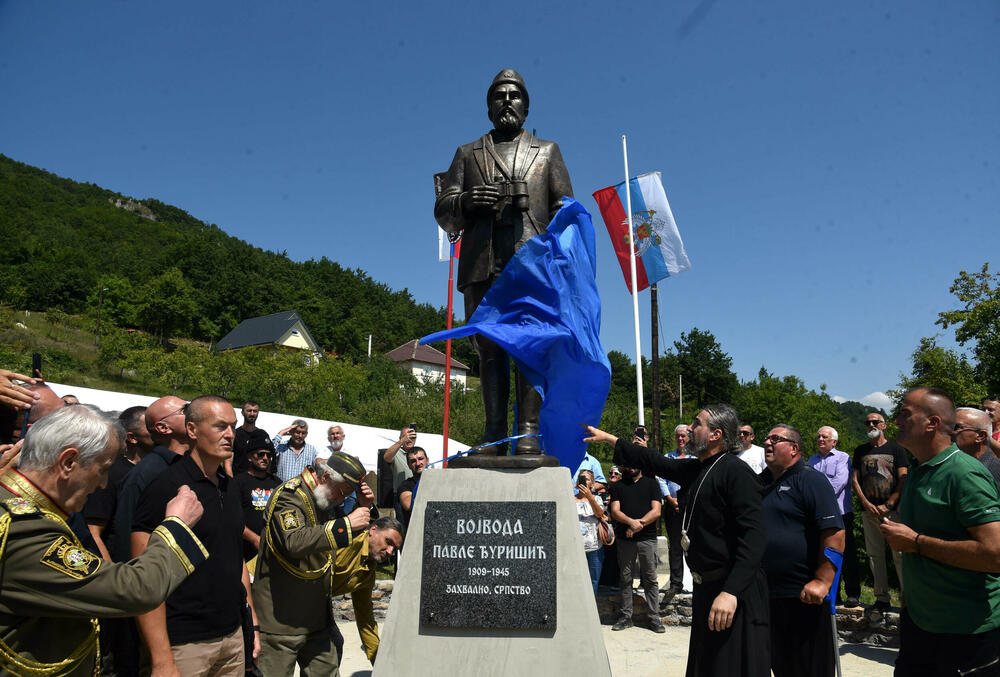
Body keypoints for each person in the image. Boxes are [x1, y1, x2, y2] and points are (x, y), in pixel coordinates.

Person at [0, 404, 208, 677]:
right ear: (68, 462)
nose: (103, 484)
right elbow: (136, 590)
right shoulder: (22, 530)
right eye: (103, 469)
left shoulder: (28, 508)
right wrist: (176, 526)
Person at [434, 68, 573, 455]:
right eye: (499, 95)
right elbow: (443, 209)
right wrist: (464, 201)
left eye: (514, 95)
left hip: (532, 265)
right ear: (489, 105)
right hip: (482, 264)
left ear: (526, 107)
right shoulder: (467, 153)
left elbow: (565, 207)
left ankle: (528, 431)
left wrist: (557, 252)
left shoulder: (547, 152)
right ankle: (494, 433)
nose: (507, 101)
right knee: (488, 348)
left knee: (530, 346)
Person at [584, 403, 770, 677]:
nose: (690, 429)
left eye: (697, 424)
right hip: (709, 586)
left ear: (716, 434)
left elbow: (754, 538)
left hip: (734, 591)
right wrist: (610, 439)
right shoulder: (699, 468)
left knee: (731, 667)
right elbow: (656, 461)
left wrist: (731, 592)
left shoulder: (736, 472)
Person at [132, 395, 258, 677]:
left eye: (233, 427)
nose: (230, 435)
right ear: (192, 430)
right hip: (184, 643)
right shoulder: (166, 487)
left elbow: (233, 556)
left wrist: (252, 625)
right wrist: (162, 659)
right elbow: (143, 581)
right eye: (220, 426)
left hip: (232, 637)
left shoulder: (230, 488)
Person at [881, 388, 1000, 676]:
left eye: (906, 414)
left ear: (932, 423)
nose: (896, 421)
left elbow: (995, 554)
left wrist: (917, 543)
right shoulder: (918, 470)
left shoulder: (964, 474)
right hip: (920, 627)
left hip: (966, 633)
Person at [251, 452, 385, 674]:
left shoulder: (324, 497)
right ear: (325, 478)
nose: (341, 500)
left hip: (316, 619)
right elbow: (294, 541)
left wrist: (363, 507)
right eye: (342, 493)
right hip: (281, 620)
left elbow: (335, 541)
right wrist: (347, 524)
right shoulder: (289, 496)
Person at [760, 424, 844, 677]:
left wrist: (823, 580)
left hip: (803, 596)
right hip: (766, 596)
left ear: (794, 448)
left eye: (775, 439)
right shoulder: (759, 483)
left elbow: (835, 533)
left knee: (810, 669)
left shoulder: (811, 480)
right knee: (781, 666)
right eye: (766, 438)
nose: (767, 443)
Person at [112, 395, 189, 563]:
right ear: (163, 427)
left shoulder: (193, 466)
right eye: (186, 410)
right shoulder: (144, 474)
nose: (194, 414)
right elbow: (127, 535)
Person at [852, 411, 908, 613]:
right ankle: (881, 598)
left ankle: (906, 598)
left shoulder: (897, 449)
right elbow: (855, 479)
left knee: (900, 555)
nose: (870, 425)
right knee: (874, 556)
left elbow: (903, 477)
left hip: (893, 511)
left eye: (875, 422)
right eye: (867, 422)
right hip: (869, 512)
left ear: (884, 425)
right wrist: (865, 504)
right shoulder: (860, 450)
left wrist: (890, 504)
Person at [83, 405, 151, 561]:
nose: (157, 429)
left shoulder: (155, 470)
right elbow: (93, 532)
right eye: (150, 426)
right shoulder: (111, 472)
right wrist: (111, 575)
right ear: (132, 437)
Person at [808, 425, 862, 606]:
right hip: (818, 515)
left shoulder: (843, 458)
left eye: (824, 437)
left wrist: (815, 495)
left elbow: (839, 483)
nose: (820, 439)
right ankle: (833, 594)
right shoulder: (812, 460)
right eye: (818, 437)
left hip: (840, 513)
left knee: (847, 555)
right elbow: (805, 484)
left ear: (834, 441)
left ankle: (853, 594)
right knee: (825, 554)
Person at [608, 460, 663, 633]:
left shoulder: (651, 484)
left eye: (634, 463)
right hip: (625, 539)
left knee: (650, 579)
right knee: (625, 579)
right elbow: (615, 511)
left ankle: (654, 617)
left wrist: (639, 524)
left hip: (647, 539)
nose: (630, 466)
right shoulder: (617, 486)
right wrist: (631, 523)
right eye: (628, 463)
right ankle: (626, 617)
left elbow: (657, 511)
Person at [659, 424, 690, 606]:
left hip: (692, 506)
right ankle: (676, 583)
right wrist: (670, 499)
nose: (680, 439)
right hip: (673, 506)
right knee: (676, 545)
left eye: (684, 436)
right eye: (678, 436)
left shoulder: (696, 457)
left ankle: (694, 581)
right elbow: (661, 479)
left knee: (695, 544)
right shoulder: (667, 458)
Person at [235, 445, 281, 563]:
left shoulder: (278, 483)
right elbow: (233, 518)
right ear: (250, 457)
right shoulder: (238, 482)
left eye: (269, 455)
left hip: (272, 549)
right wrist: (254, 539)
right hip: (245, 550)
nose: (265, 458)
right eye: (261, 454)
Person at [575, 469, 606, 595]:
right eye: (581, 478)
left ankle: (592, 611)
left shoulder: (597, 499)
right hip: (576, 548)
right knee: (577, 581)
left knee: (593, 581)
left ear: (592, 483)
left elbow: (600, 514)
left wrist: (589, 497)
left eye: (587, 479)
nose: (584, 481)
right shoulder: (570, 499)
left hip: (594, 547)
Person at [954, 407, 1000, 486]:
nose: (948, 431)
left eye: (956, 427)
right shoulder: (948, 462)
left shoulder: (995, 470)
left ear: (981, 436)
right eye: (947, 426)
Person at [231, 400, 273, 477]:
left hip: (257, 481)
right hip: (238, 479)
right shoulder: (235, 434)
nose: (252, 414)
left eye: (255, 411)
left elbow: (268, 460)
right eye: (249, 411)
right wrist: (231, 482)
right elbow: (228, 462)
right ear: (242, 413)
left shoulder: (263, 435)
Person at [381, 425, 416, 499]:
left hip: (417, 492)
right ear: (401, 438)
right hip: (401, 494)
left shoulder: (418, 453)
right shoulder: (396, 453)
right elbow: (386, 457)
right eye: (406, 436)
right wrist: (402, 440)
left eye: (412, 437)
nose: (409, 439)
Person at [396, 446, 427, 528]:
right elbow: (408, 504)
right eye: (413, 461)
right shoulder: (405, 485)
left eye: (420, 459)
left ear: (427, 461)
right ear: (409, 465)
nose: (417, 463)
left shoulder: (437, 481)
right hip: (413, 531)